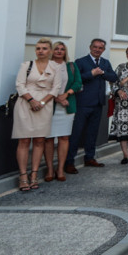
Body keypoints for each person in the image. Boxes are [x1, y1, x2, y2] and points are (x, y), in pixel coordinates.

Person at [13, 37, 65, 191]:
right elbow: (19, 85)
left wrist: (42, 102)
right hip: (25, 104)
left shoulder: (56, 67)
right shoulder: (27, 65)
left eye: (43, 48)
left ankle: (34, 174)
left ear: (49, 51)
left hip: (45, 105)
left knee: (39, 141)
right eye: (38, 48)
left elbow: (56, 88)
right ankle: (23, 175)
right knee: (23, 141)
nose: (40, 51)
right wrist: (32, 101)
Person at [66, 38, 118, 173]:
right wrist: (91, 74)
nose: (97, 49)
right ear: (90, 47)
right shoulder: (81, 61)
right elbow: (77, 79)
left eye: (100, 48)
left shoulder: (105, 63)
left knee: (92, 133)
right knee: (76, 133)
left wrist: (103, 73)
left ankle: (89, 157)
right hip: (83, 103)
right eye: (95, 47)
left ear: (103, 50)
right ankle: (69, 162)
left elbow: (113, 77)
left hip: (98, 103)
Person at [43, 41, 81, 182]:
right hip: (49, 106)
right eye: (56, 49)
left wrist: (67, 94)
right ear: (52, 51)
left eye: (62, 49)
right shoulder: (46, 66)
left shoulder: (71, 66)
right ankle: (49, 170)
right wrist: (57, 99)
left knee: (64, 138)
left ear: (65, 52)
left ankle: (60, 169)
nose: (59, 51)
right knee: (49, 139)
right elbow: (42, 86)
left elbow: (78, 82)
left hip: (67, 106)